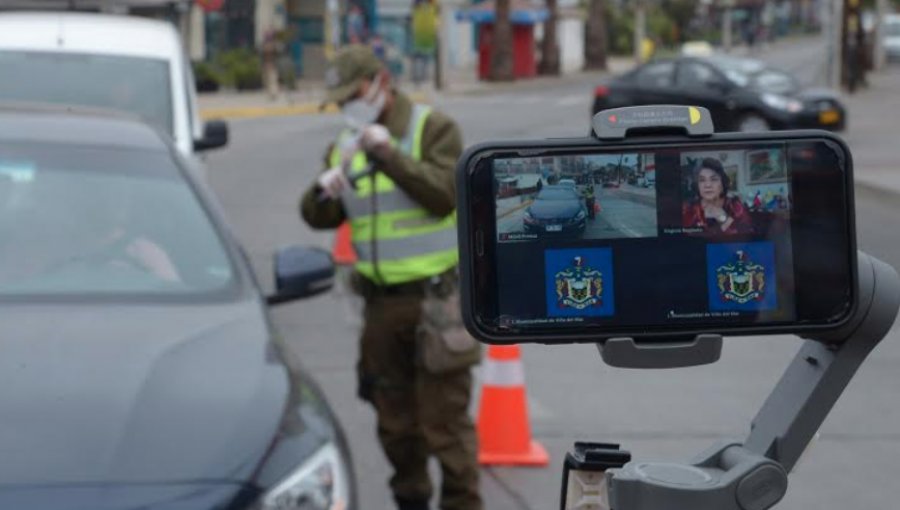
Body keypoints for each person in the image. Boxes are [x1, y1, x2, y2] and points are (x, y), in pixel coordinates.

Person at [299, 45, 482, 510]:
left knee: (445, 426)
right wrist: (323, 194)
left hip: (437, 303)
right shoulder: (345, 144)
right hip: (380, 306)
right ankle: (411, 501)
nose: (347, 106)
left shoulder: (431, 129)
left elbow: (444, 194)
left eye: (353, 93)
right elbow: (318, 216)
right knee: (395, 426)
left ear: (381, 81)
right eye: (340, 99)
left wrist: (388, 154)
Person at [682, 158, 752, 236]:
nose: (707, 185)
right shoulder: (688, 209)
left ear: (722, 183)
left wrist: (720, 215)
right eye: (702, 180)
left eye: (713, 179)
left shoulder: (734, 205)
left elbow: (746, 236)